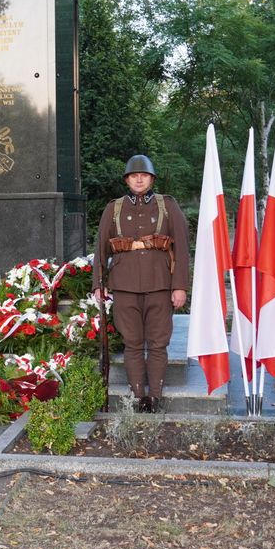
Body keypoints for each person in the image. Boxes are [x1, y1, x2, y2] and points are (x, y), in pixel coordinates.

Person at [93, 155, 190, 412]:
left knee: (158, 343)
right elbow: (101, 249)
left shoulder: (167, 206)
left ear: (151, 178)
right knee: (132, 343)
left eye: (143, 175)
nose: (138, 178)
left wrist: (179, 285)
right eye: (133, 175)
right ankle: (139, 396)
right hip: (124, 286)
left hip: (160, 284)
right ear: (127, 180)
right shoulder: (113, 208)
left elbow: (181, 247)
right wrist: (98, 284)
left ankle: (154, 396)